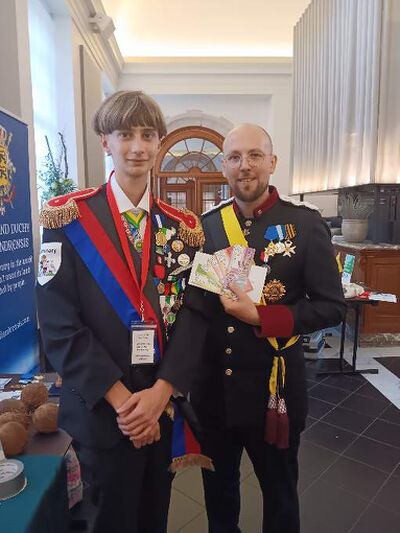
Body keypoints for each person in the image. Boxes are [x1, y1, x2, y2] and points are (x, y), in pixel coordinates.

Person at [158, 123, 346, 533]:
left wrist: (263, 317)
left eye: (255, 156)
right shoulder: (205, 227)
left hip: (273, 392)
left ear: (272, 162)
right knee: (219, 501)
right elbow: (193, 308)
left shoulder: (305, 225)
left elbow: (332, 307)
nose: (245, 166)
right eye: (235, 157)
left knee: (280, 499)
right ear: (224, 167)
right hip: (214, 394)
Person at [36, 90, 206, 533]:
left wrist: (160, 394)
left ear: (159, 142)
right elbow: (58, 326)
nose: (137, 146)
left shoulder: (182, 228)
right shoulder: (68, 219)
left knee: (155, 519)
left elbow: (195, 317)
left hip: (161, 407)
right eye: (125, 134)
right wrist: (125, 403)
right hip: (100, 413)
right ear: (105, 141)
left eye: (148, 135)